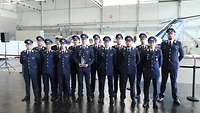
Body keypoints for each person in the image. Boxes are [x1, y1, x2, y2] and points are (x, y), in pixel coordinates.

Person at [158, 28, 184, 105]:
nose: (170, 35)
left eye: (171, 33)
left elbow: (182, 55)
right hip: (165, 66)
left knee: (174, 83)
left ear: (173, 34)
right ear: (167, 34)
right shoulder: (163, 43)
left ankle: (175, 98)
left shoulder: (178, 43)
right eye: (169, 33)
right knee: (163, 82)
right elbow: (161, 55)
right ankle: (161, 96)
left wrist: (176, 62)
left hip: (174, 67)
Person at [143, 36, 163, 109]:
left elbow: (160, 63)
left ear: (155, 43)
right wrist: (145, 69)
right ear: (148, 43)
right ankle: (146, 101)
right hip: (147, 72)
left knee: (156, 88)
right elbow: (143, 62)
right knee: (146, 87)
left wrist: (156, 68)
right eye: (150, 42)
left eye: (153, 42)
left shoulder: (158, 51)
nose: (152, 44)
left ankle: (154, 101)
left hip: (155, 72)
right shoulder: (145, 51)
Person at [73, 34, 94, 103]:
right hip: (80, 68)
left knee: (88, 83)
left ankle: (89, 96)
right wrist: (78, 63)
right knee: (80, 83)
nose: (83, 41)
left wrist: (88, 64)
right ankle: (80, 96)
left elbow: (93, 58)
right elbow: (74, 57)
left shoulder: (90, 48)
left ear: (86, 40)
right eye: (82, 39)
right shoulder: (77, 48)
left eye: (85, 39)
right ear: (81, 40)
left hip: (87, 69)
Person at [120, 36, 140, 106]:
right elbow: (119, 60)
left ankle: (133, 98)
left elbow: (138, 60)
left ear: (132, 42)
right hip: (124, 71)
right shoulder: (122, 50)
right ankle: (122, 98)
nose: (128, 43)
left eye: (130, 41)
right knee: (123, 85)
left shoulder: (135, 50)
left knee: (132, 85)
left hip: (132, 71)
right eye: (127, 41)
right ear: (125, 42)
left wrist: (133, 66)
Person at [20, 39, 41, 104]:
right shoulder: (23, 53)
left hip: (33, 72)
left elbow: (38, 62)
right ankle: (27, 96)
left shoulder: (36, 53)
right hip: (26, 72)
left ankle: (36, 97)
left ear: (31, 45)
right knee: (27, 84)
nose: (28, 46)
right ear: (25, 45)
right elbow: (21, 61)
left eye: (30, 45)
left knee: (35, 85)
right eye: (27, 45)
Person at [98, 36, 116, 105]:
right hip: (102, 70)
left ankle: (111, 97)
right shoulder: (100, 51)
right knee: (101, 84)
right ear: (104, 42)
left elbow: (115, 61)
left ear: (109, 42)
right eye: (105, 42)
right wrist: (100, 67)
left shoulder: (113, 51)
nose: (106, 43)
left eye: (108, 42)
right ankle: (101, 97)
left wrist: (113, 68)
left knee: (111, 84)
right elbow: (98, 61)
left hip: (110, 70)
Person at [55, 38, 72, 103]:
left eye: (63, 44)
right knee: (60, 84)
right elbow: (56, 62)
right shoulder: (57, 53)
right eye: (61, 44)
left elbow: (70, 62)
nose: (62, 45)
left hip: (67, 71)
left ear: (65, 44)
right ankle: (60, 97)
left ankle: (68, 97)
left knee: (67, 84)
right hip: (59, 71)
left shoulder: (69, 52)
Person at [90, 34, 103, 98]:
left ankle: (101, 92)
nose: (96, 40)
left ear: (99, 40)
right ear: (93, 40)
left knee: (101, 79)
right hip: (92, 65)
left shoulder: (102, 47)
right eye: (95, 39)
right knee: (92, 79)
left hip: (100, 66)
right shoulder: (90, 47)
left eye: (97, 39)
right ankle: (91, 91)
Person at [112, 34, 124, 99]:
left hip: (122, 68)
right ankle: (115, 92)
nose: (118, 40)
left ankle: (122, 93)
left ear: (121, 40)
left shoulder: (124, 48)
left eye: (120, 39)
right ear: (116, 40)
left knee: (122, 81)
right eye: (117, 39)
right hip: (115, 67)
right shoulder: (113, 48)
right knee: (115, 81)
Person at [136, 33, 148, 100]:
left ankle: (146, 94)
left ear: (145, 39)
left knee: (146, 82)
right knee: (138, 81)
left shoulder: (148, 47)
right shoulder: (137, 48)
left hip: (146, 68)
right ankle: (138, 93)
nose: (142, 40)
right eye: (141, 39)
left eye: (143, 39)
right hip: (139, 67)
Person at [69, 35, 80, 101]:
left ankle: (79, 93)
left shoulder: (80, 48)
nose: (75, 41)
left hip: (79, 66)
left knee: (79, 80)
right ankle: (73, 91)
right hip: (72, 66)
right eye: (74, 40)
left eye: (76, 40)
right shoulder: (70, 48)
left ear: (78, 41)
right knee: (73, 79)